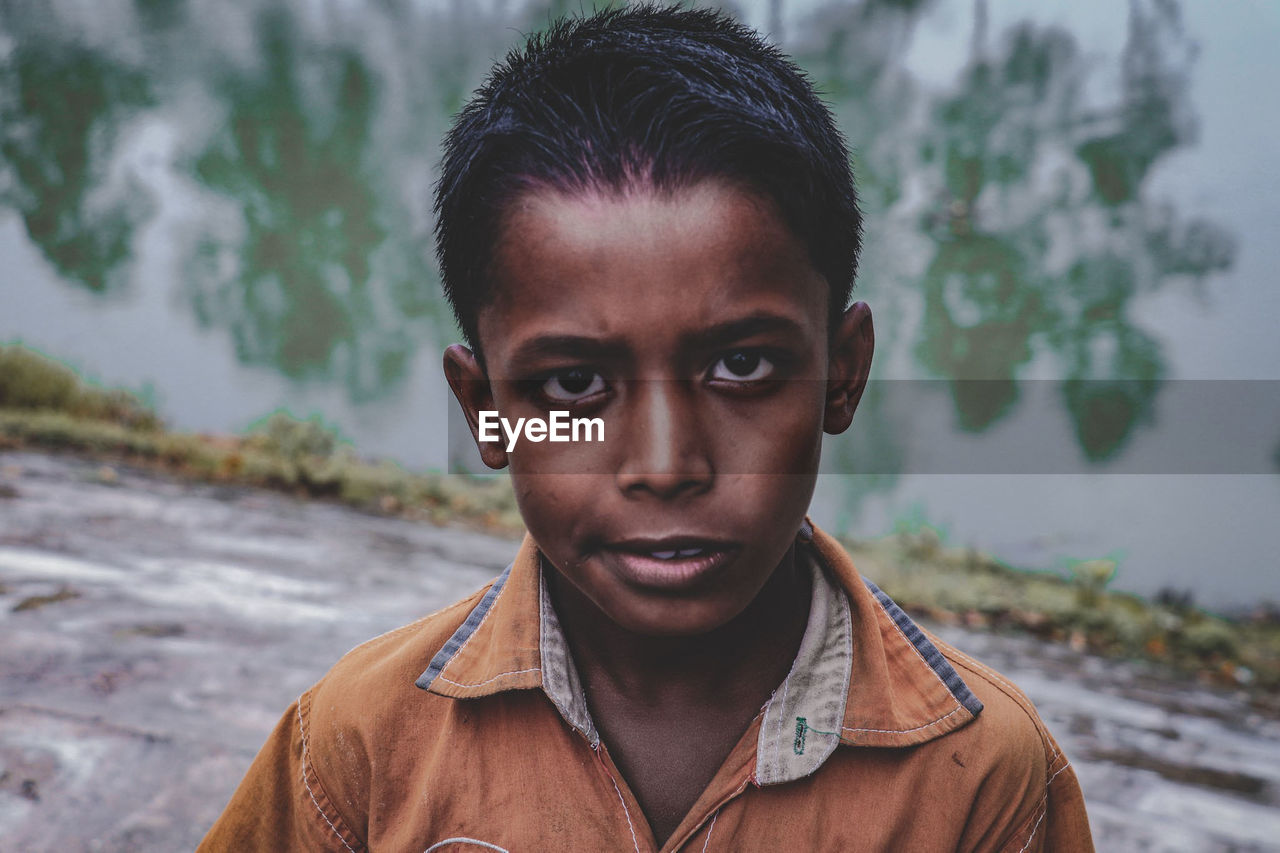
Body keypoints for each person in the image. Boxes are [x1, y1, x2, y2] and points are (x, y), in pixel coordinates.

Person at [199, 5, 1094, 851]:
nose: (666, 465)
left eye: (741, 366)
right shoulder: (361, 743)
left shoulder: (983, 781)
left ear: (842, 372)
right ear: (486, 413)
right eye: (576, 384)